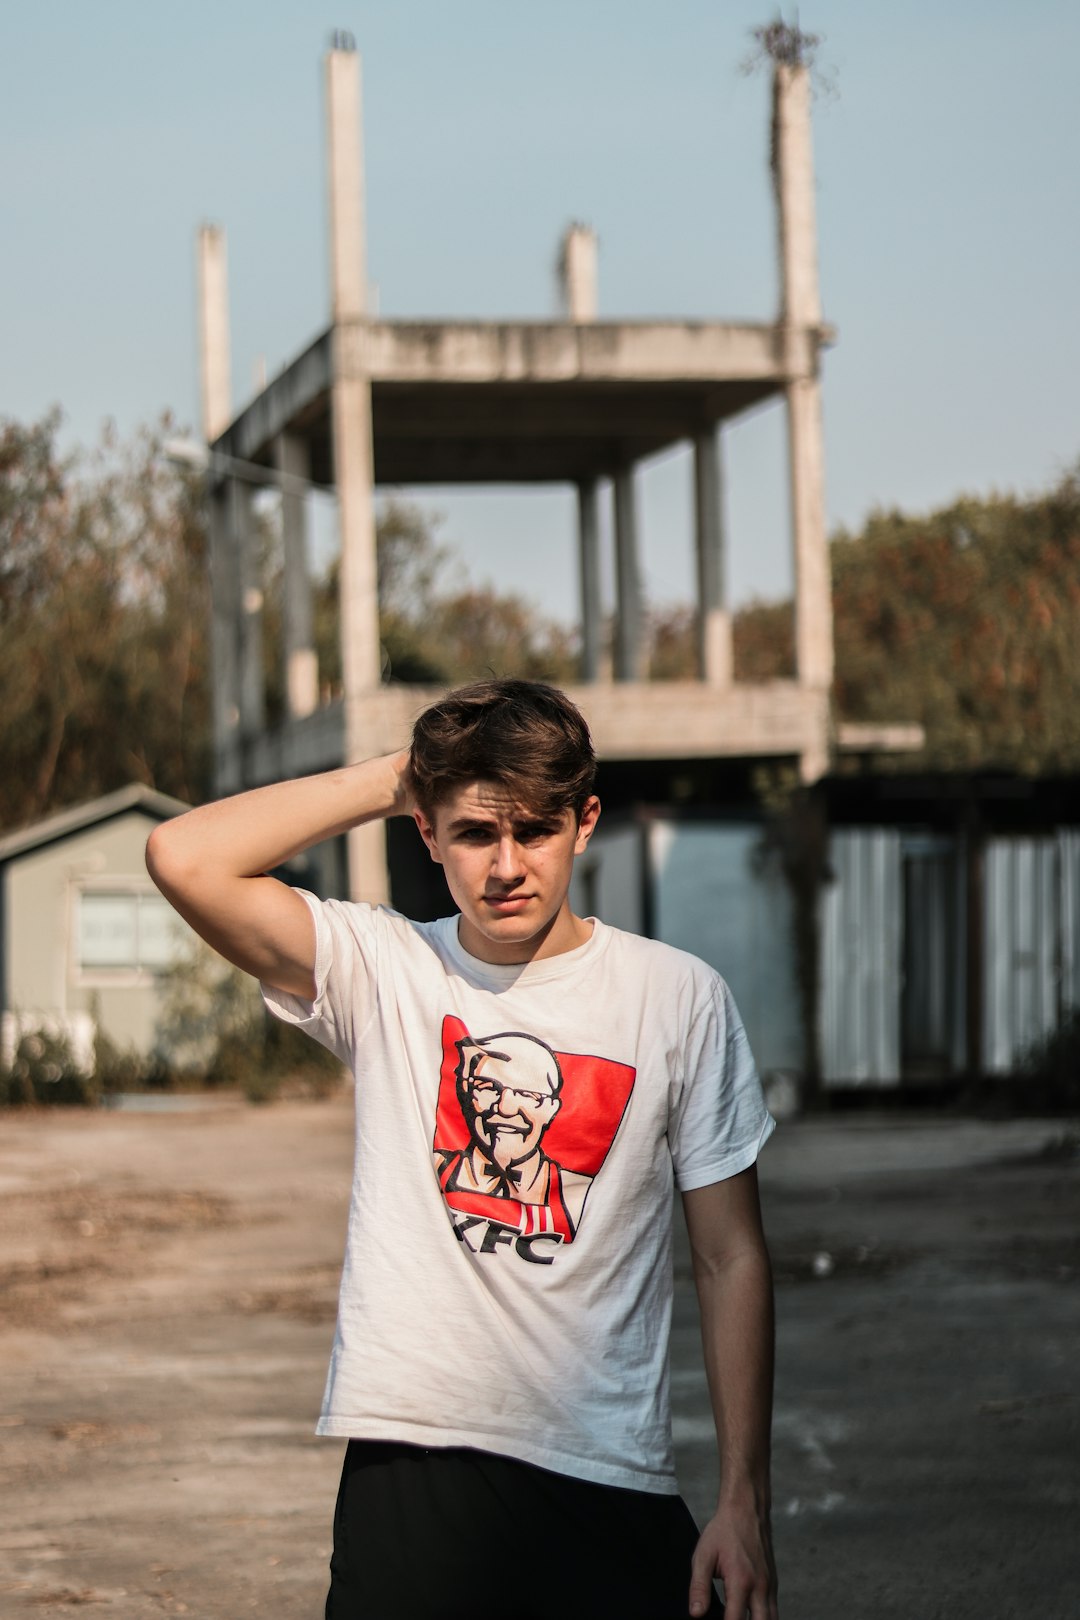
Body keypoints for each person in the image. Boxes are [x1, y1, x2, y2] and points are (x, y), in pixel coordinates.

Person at [146, 677, 779, 1620]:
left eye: (535, 829)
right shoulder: (389, 968)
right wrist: (403, 774)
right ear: (428, 834)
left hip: (604, 1471)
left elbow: (731, 1257)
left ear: (585, 821)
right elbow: (184, 855)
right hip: (413, 1469)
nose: (507, 865)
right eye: (477, 832)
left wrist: (743, 1500)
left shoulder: (677, 997)